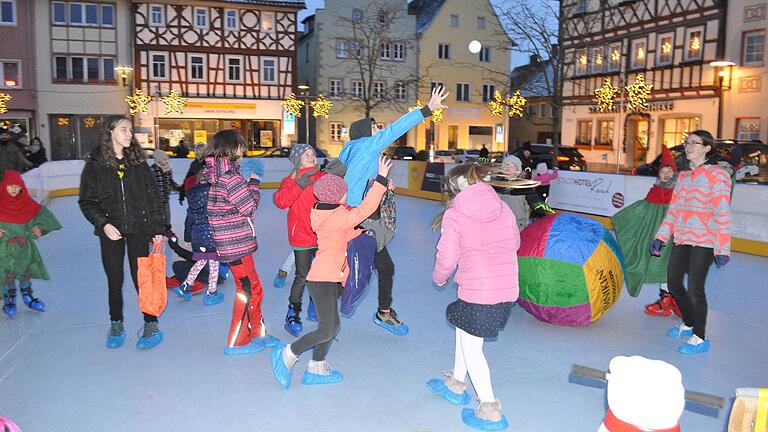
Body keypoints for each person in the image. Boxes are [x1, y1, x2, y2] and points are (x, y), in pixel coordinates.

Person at [271, 156, 392, 389]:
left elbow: (340, 234)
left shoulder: (323, 212)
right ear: (338, 197)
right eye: (345, 193)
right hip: (324, 278)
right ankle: (288, 353)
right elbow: (365, 209)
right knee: (327, 327)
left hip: (327, 276)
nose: (347, 195)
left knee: (332, 325)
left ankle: (316, 366)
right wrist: (381, 180)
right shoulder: (338, 216)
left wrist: (357, 234)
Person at [339, 85, 449, 335]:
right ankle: (382, 313)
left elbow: (357, 180)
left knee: (357, 264)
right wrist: (426, 110)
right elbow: (395, 128)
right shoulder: (367, 145)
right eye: (376, 128)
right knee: (375, 267)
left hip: (354, 215)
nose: (380, 131)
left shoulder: (354, 152)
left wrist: (383, 183)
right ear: (366, 133)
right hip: (362, 219)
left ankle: (322, 299)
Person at [427, 162, 519, 431]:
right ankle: (456, 382)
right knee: (463, 329)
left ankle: (489, 408)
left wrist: (439, 277)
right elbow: (515, 243)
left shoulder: (455, 215)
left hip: (479, 291)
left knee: (472, 349)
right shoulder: (502, 207)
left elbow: (446, 256)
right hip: (505, 289)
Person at [78, 115, 166, 350]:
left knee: (142, 278)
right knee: (114, 279)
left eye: (130, 130)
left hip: (139, 228)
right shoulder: (95, 164)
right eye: (124, 130)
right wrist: (104, 224)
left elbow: (154, 197)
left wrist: (158, 228)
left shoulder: (138, 162)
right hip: (111, 230)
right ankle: (116, 322)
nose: (129, 134)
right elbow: (87, 202)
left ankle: (150, 323)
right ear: (110, 133)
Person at [651, 130, 732, 355]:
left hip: (705, 241)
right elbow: (673, 211)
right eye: (686, 143)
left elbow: (722, 212)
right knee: (674, 283)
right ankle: (688, 322)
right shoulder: (685, 177)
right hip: (683, 238)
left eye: (694, 143)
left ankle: (700, 336)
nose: (688, 146)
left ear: (706, 148)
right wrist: (661, 237)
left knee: (696, 289)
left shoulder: (717, 175)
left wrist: (722, 247)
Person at [205, 129, 277, 355]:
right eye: (240, 146)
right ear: (231, 148)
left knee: (254, 288)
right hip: (234, 243)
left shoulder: (220, 175)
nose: (243, 150)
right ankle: (237, 341)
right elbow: (248, 206)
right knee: (246, 290)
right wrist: (254, 184)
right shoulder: (230, 177)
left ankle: (257, 332)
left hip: (234, 242)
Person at [612, 146, 679, 314]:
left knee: (670, 267)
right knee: (660, 266)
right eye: (663, 171)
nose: (666, 175)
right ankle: (667, 299)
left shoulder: (680, 193)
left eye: (669, 172)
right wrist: (624, 218)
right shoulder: (655, 191)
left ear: (675, 174)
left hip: (675, 237)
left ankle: (676, 299)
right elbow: (643, 209)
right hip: (657, 237)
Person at [273, 144, 328, 336]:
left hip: (322, 234)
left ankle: (315, 306)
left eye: (313, 153)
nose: (311, 156)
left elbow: (337, 198)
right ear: (298, 159)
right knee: (302, 275)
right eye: (306, 154)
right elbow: (281, 201)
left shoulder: (322, 177)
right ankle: (293, 313)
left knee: (320, 275)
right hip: (301, 235)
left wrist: (338, 178)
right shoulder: (291, 180)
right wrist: (299, 185)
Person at [1, 170, 62, 317]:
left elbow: (44, 215)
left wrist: (40, 228)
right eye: (11, 186)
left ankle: (28, 296)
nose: (14, 190)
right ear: (4, 187)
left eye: (17, 186)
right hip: (6, 249)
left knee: (25, 272)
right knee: (9, 273)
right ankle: (10, 299)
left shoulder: (27, 203)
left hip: (24, 248)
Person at [172, 160, 224, 306]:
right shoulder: (213, 195)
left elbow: (189, 220)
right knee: (214, 265)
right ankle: (211, 293)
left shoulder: (192, 198)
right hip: (211, 237)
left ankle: (185, 286)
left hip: (198, 238)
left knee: (200, 262)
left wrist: (188, 236)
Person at [151, 150, 179, 230]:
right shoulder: (152, 170)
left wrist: (179, 188)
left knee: (167, 216)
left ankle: (167, 230)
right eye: (164, 159)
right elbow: (148, 185)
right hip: (155, 201)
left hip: (165, 198)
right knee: (157, 218)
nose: (166, 161)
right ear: (158, 159)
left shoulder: (168, 169)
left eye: (167, 159)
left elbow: (170, 181)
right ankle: (155, 233)